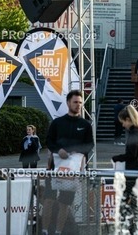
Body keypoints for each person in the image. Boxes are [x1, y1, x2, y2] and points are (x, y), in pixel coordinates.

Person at [41, 91, 94, 235]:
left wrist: (75, 151)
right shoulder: (57, 123)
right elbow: (49, 141)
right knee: (48, 200)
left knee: (64, 203)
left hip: (72, 171)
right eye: (75, 102)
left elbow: (90, 145)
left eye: (80, 102)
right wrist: (58, 150)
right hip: (55, 169)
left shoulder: (85, 124)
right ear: (68, 103)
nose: (78, 105)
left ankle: (58, 232)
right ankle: (44, 231)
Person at [112, 105, 138, 232]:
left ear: (128, 119)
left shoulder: (133, 134)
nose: (123, 125)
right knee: (137, 204)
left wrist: (116, 158)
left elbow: (131, 155)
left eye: (123, 122)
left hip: (133, 173)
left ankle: (130, 230)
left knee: (125, 204)